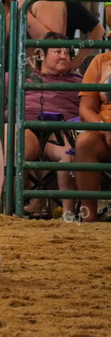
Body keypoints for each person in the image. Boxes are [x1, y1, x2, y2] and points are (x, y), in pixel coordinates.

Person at [0, 33, 82, 218]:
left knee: (70, 153)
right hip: (24, 126)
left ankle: (68, 214)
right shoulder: (18, 77)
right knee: (12, 142)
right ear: (41, 55)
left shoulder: (79, 81)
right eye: (57, 51)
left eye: (67, 52)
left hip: (62, 129)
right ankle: (6, 209)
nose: (63, 56)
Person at [74, 50, 111, 221]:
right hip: (106, 128)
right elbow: (86, 109)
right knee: (85, 143)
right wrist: (105, 129)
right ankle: (88, 213)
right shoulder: (101, 60)